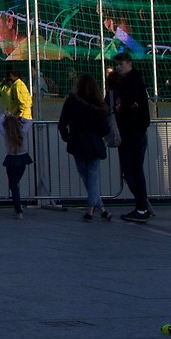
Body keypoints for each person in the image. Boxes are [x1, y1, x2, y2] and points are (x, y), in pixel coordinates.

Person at [58, 73, 111, 221]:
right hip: (94, 144)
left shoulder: (72, 101)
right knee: (93, 176)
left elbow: (62, 123)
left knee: (86, 176)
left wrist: (68, 137)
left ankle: (93, 209)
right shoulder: (99, 104)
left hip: (77, 143)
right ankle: (98, 208)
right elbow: (105, 129)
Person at [108, 54, 152, 222]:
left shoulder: (133, 83)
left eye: (121, 64)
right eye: (117, 65)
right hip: (130, 130)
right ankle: (142, 205)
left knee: (132, 169)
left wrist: (121, 107)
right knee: (132, 169)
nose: (118, 67)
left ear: (129, 64)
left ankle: (141, 207)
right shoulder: (129, 82)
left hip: (132, 131)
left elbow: (126, 103)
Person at [0, 103, 31, 217]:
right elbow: (29, 122)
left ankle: (18, 209)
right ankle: (17, 207)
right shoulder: (23, 133)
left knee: (13, 185)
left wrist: (4, 114)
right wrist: (18, 117)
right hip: (23, 158)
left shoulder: (6, 134)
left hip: (11, 159)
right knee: (15, 183)